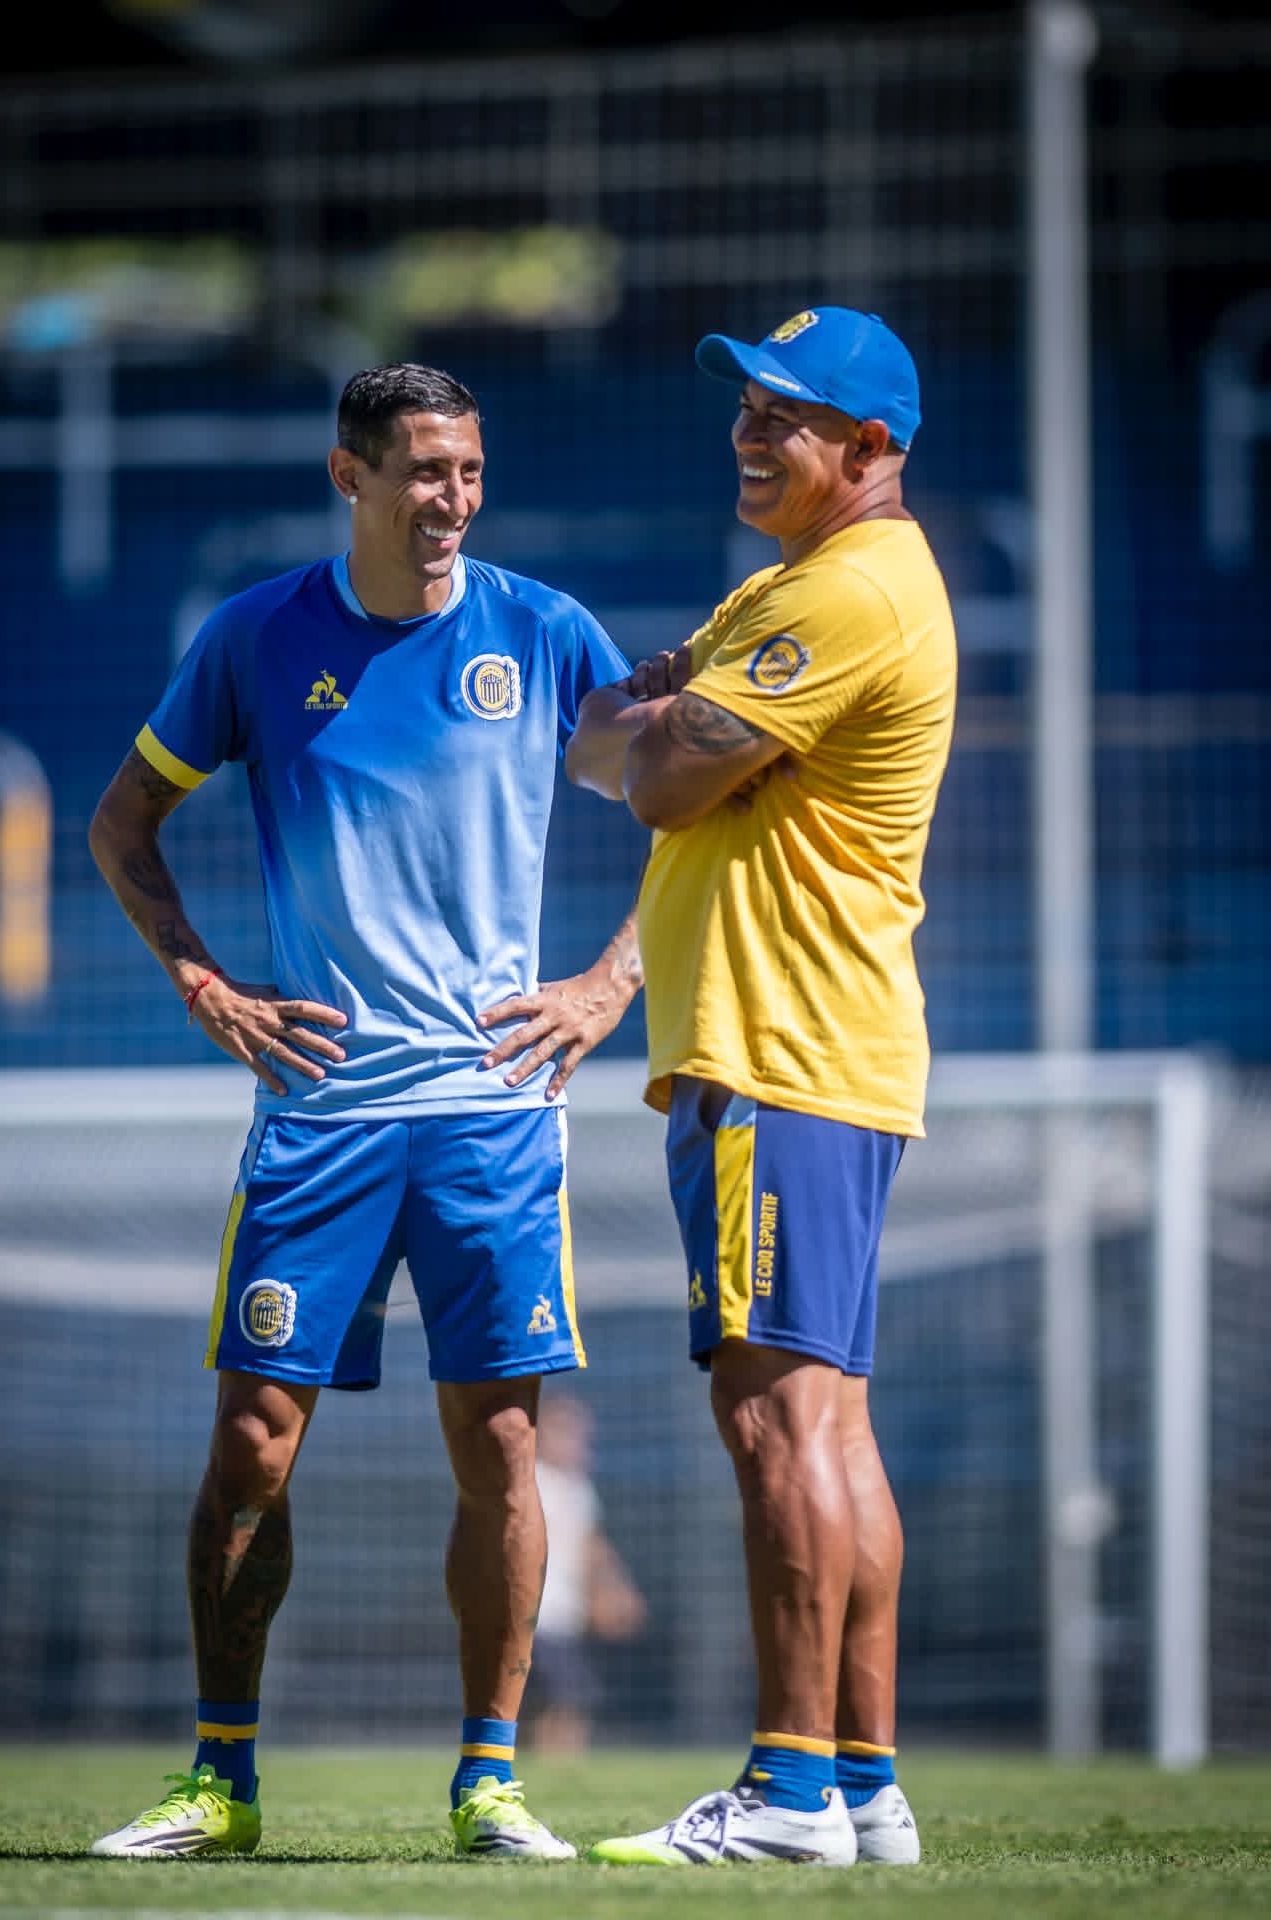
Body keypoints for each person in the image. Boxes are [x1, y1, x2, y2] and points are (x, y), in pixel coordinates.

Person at [85, 362, 643, 1862]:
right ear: (351, 475)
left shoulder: (545, 633)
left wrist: (608, 983)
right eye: (424, 471)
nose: (454, 499)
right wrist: (204, 982)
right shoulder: (256, 637)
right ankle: (221, 1779)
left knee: (506, 1450)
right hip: (321, 1115)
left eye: (471, 470)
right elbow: (123, 821)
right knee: (252, 1444)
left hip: (493, 1117)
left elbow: (694, 804)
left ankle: (490, 1783)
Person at [564, 307, 956, 1868]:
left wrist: (654, 724)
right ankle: (863, 1788)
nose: (747, 431)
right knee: (831, 1426)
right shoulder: (799, 584)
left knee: (776, 1425)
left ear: (871, 448)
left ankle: (789, 1792)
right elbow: (622, 742)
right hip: (817, 1053)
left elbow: (649, 773)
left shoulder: (844, 591)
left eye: (784, 414)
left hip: (781, 1048)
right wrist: (653, 724)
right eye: (743, 404)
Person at [522, 1389, 647, 1754]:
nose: (574, 1443)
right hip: (534, 1613)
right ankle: (553, 1763)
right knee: (566, 1696)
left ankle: (553, 1763)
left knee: (566, 1697)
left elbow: (592, 1546)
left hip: (564, 1615)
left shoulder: (577, 1488)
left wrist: (614, 1590)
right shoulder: (530, 1482)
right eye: (563, 1432)